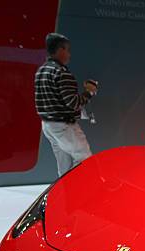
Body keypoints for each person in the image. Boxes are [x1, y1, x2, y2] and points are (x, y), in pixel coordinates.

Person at [34, 33, 97, 177]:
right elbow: (74, 103)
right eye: (67, 50)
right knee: (84, 157)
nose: (69, 54)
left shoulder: (41, 71)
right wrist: (89, 92)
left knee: (63, 164)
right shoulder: (61, 72)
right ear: (60, 50)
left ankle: (64, 192)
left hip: (48, 126)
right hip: (64, 125)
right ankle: (80, 190)